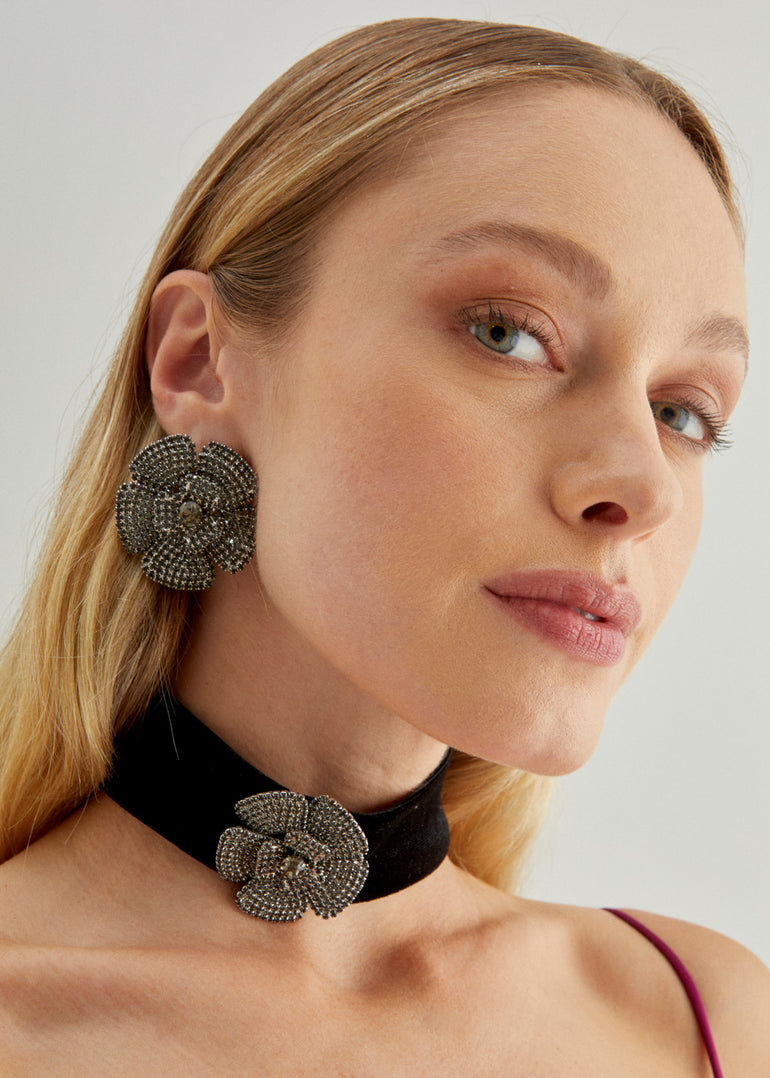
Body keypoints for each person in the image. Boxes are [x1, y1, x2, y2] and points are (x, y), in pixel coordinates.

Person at [0, 16, 767, 1074]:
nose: (643, 488)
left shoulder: (707, 1023)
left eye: (683, 413)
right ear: (199, 363)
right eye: (507, 332)